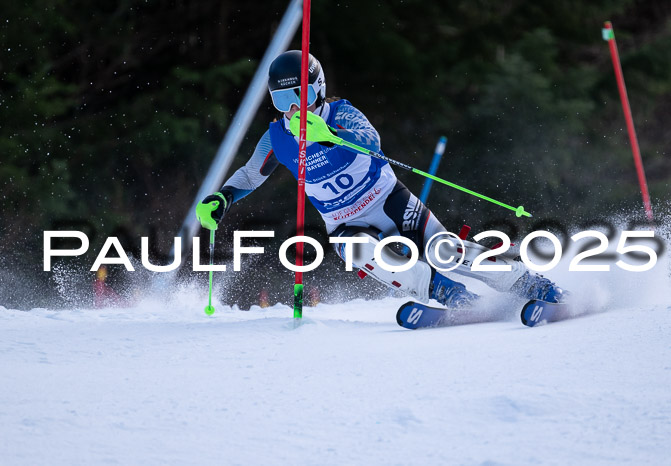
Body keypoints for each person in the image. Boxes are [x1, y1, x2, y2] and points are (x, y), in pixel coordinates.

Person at [197, 50, 566, 309]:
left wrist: (328, 133)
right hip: (344, 223)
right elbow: (250, 173)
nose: (295, 108)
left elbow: (371, 141)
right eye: (283, 101)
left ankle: (528, 283)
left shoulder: (342, 113)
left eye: (303, 95)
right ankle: (447, 294)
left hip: (391, 201)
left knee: (446, 251)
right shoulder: (276, 137)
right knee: (365, 253)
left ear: (319, 89)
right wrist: (224, 197)